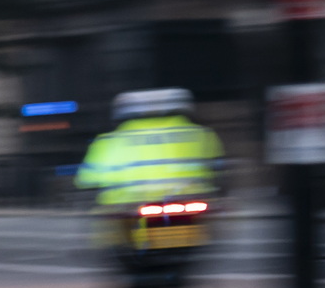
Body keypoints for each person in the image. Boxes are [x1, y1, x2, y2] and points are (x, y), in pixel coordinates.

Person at [74, 89, 222, 208]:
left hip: (127, 206)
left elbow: (86, 178)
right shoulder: (201, 134)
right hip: (189, 201)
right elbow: (218, 167)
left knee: (110, 236)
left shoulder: (107, 141)